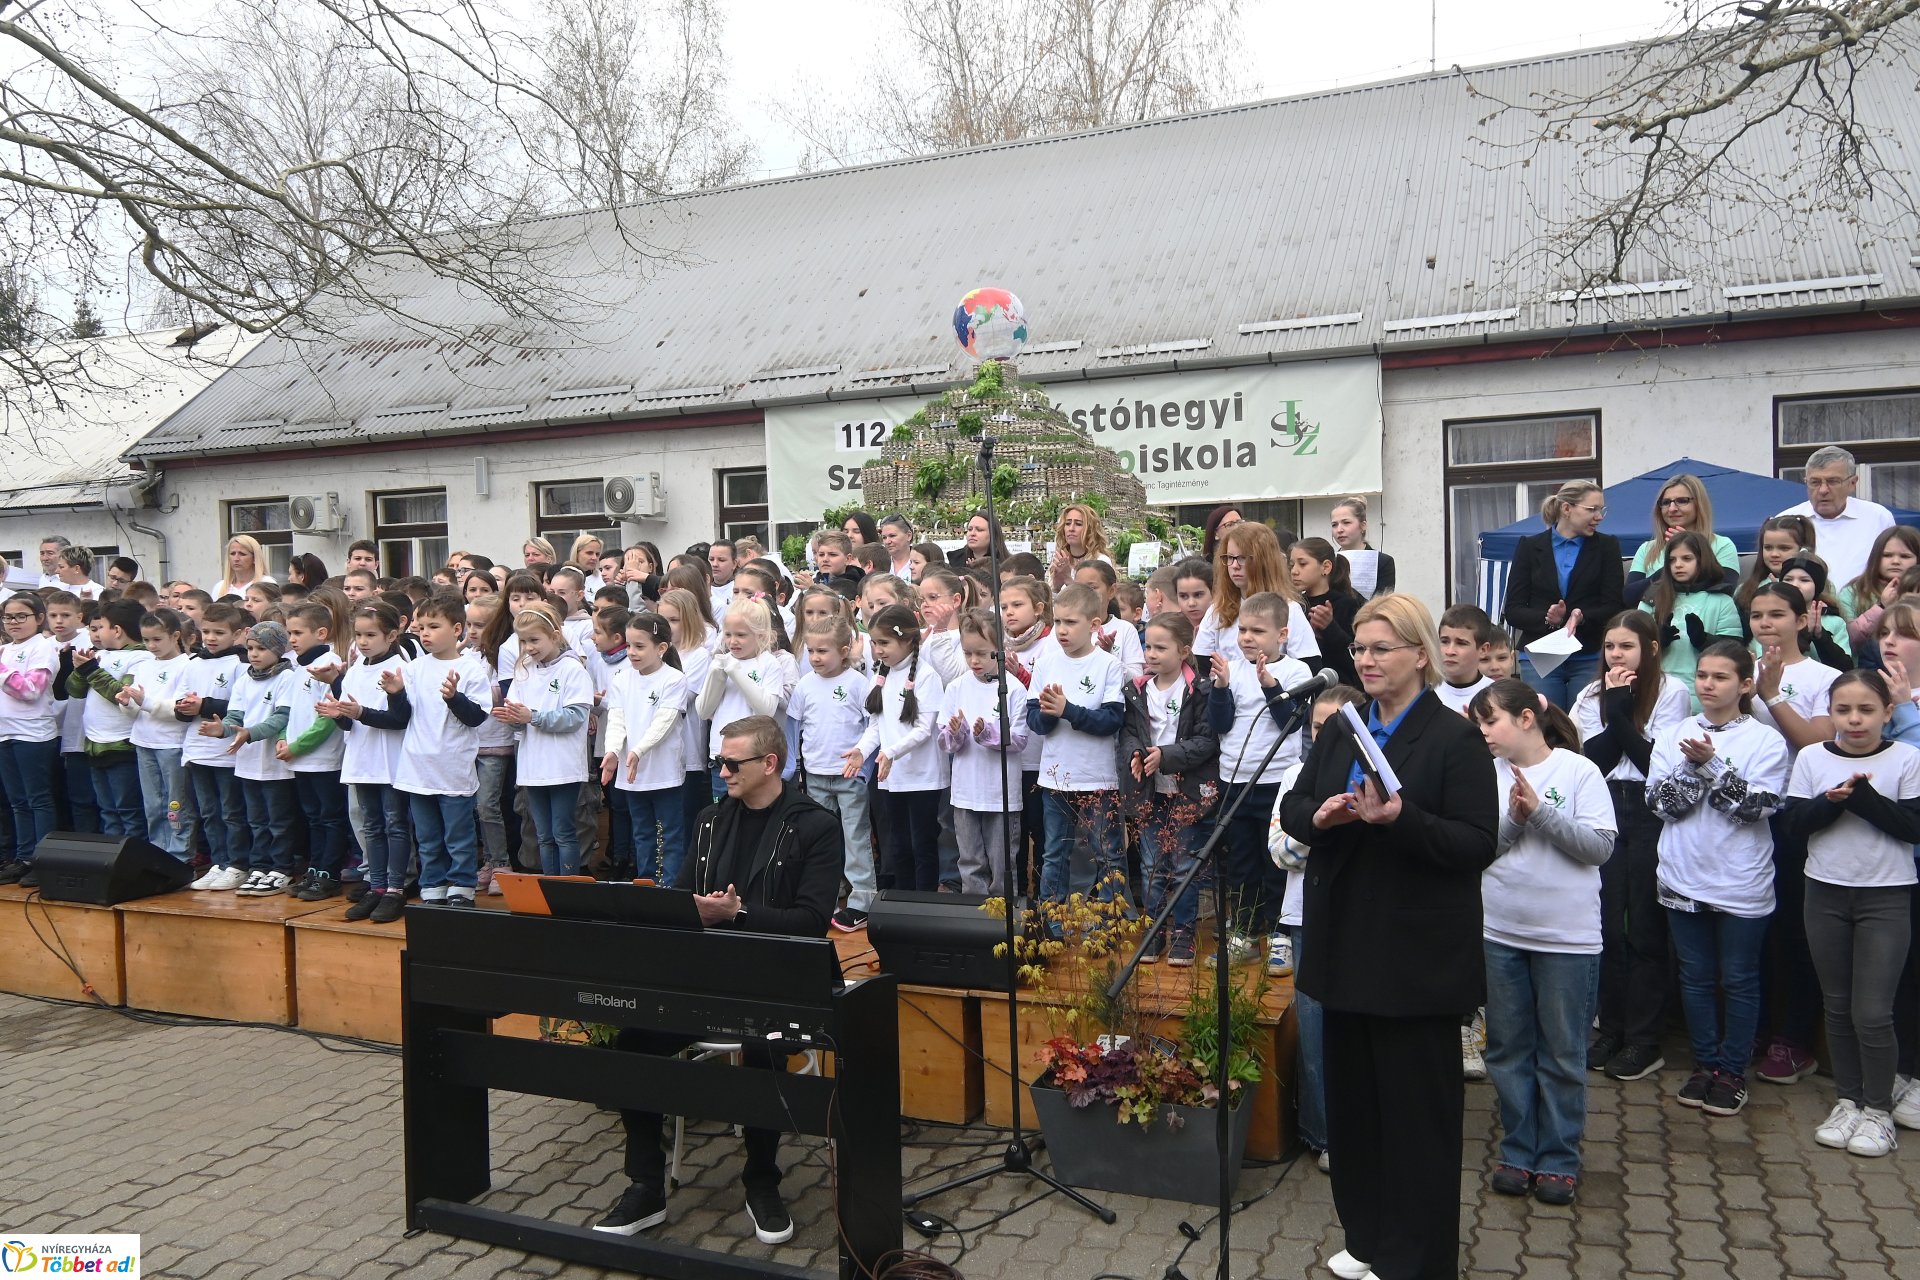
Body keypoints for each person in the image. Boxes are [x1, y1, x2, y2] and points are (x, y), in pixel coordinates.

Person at [1279, 594, 1498, 1280]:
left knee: (1415, 1122)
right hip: (1344, 944)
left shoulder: (1454, 737)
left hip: (1414, 961)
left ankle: (1418, 1260)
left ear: (1419, 655)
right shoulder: (1343, 728)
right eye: (1360, 649)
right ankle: (1370, 1238)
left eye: (1381, 649)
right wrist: (1324, 817)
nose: (1367, 661)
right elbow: (1295, 806)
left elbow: (1476, 843)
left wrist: (1400, 820)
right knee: (1357, 1113)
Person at [595, 715, 843, 1244]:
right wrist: (685, 909)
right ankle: (645, 1186)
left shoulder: (815, 825)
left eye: (732, 763)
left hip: (778, 981)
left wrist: (738, 914)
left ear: (769, 763)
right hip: (708, 978)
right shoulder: (710, 820)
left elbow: (810, 921)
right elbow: (682, 896)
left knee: (763, 1047)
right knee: (632, 1043)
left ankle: (762, 1181)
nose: (722, 771)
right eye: (718, 761)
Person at [1470, 678, 1614, 1206]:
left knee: (1562, 1051)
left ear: (1527, 718)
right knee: (1508, 1048)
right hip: (1500, 931)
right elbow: (1476, 850)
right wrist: (1515, 819)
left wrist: (1543, 814)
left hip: (1566, 939)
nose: (1484, 733)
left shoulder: (1578, 771)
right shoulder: (1483, 775)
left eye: (1491, 721)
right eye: (1479, 724)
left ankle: (1558, 1157)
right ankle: (1517, 1149)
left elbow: (1598, 848)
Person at [1645, 640, 1791, 1117]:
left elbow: (1755, 809)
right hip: (1682, 875)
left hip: (1740, 880)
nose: (1707, 684)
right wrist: (1693, 767)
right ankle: (1705, 1064)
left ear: (1745, 684)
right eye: (1702, 675)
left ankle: (1732, 1071)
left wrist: (1711, 765)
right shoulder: (1674, 733)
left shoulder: (1765, 741)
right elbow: (1661, 806)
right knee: (1695, 977)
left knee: (1740, 979)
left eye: (1720, 677)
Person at [1782, 669, 1920, 1158]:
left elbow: (1913, 828)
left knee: (1872, 1012)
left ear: (1888, 712)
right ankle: (1848, 1101)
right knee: (1837, 1006)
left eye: (1866, 710)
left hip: (1886, 896)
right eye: (1843, 710)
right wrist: (1831, 802)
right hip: (1824, 893)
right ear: (1831, 713)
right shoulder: (1812, 757)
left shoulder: (1906, 758)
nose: (1854, 720)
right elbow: (1794, 825)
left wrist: (1861, 798)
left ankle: (1878, 1112)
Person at [1575, 611, 1692, 1083]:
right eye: (1610, 647)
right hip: (1604, 802)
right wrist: (1617, 709)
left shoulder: (1672, 692)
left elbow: (1651, 762)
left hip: (1648, 807)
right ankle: (1612, 1028)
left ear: (1651, 649)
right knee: (1606, 923)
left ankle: (1644, 1038)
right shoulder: (1590, 695)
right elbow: (1595, 759)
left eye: (1626, 646)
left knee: (1644, 925)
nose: (1616, 655)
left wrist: (1621, 712)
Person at [1208, 592, 1311, 971]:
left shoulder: (1297, 672)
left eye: (1257, 631)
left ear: (1282, 634)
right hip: (1235, 781)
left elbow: (1290, 723)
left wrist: (1269, 684)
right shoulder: (1232, 670)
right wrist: (1220, 688)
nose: (1247, 638)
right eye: (1243, 630)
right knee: (1241, 862)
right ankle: (1246, 933)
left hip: (1276, 783)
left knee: (1276, 863)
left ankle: (1281, 934)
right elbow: (1219, 724)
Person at [1120, 610, 1218, 965]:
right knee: (1151, 865)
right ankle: (1155, 930)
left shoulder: (1200, 689)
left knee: (1183, 865)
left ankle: (1183, 933)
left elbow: (1206, 741)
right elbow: (1129, 732)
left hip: (1187, 792)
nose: (1151, 654)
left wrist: (1166, 756)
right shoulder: (1137, 689)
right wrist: (1135, 753)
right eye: (1148, 646)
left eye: (1161, 648)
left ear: (1184, 651)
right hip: (1151, 792)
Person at [390, 596, 493, 906]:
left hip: (452, 767)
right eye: (421, 627)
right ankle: (432, 884)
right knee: (427, 836)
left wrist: (454, 698)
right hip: (417, 768)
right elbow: (402, 717)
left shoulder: (470, 669)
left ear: (457, 629)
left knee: (458, 836)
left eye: (434, 626)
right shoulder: (413, 668)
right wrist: (395, 694)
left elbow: (476, 717)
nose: (425, 633)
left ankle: (462, 885)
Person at [1027, 584, 1126, 906]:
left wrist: (1067, 710)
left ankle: (1112, 920)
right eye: (1057, 621)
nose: (1062, 630)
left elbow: (1111, 720)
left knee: (1108, 853)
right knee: (1054, 852)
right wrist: (1049, 714)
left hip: (1098, 777)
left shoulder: (1108, 665)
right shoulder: (1046, 663)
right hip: (1056, 778)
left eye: (1071, 622)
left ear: (1094, 625)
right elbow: (1034, 722)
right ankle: (1052, 920)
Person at [850, 604, 946, 892]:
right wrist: (861, 750)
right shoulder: (880, 676)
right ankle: (904, 902)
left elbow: (924, 729)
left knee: (922, 844)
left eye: (884, 643)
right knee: (899, 844)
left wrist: (891, 752)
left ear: (907, 640)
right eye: (875, 643)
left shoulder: (926, 676)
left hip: (923, 777)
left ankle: (925, 903)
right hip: (891, 776)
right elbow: (876, 726)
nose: (878, 650)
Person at [1503, 481, 1624, 708]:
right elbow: (1513, 610)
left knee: (1585, 724)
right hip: (1540, 656)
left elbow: (1614, 606)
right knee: (1544, 722)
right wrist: (1549, 620)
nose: (1599, 517)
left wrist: (1580, 617)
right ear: (1567, 509)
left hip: (1589, 655)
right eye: (1592, 509)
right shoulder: (1529, 546)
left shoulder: (1607, 546)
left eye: (1602, 510)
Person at [787, 615, 874, 927]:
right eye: (811, 651)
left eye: (823, 651)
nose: (815, 658)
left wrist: (864, 766)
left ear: (844, 650)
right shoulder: (805, 685)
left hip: (849, 776)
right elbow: (794, 727)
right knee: (821, 838)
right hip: (815, 776)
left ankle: (862, 900)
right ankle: (826, 894)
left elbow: (872, 725)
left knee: (855, 836)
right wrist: (793, 767)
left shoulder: (858, 684)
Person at [936, 609, 1028, 895]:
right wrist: (957, 733)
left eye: (982, 654)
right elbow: (945, 742)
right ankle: (973, 910)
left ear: (1000, 649)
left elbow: (1020, 740)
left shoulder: (1013, 689)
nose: (974, 661)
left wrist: (988, 734)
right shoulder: (956, 687)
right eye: (968, 653)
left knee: (1002, 861)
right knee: (970, 859)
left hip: (1001, 793)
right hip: (965, 791)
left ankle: (1002, 912)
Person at [204, 620, 298, 896]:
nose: (254, 654)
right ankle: (260, 866)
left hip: (275, 765)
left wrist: (250, 733)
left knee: (279, 821)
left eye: (262, 649)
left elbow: (282, 717)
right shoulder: (245, 680)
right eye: (251, 648)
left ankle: (281, 868)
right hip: (248, 764)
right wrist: (222, 729)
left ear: (278, 650)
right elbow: (235, 716)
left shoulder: (287, 678)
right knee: (256, 820)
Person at [499, 605, 593, 875]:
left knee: (563, 832)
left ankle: (566, 887)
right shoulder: (524, 670)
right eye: (523, 641)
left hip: (562, 767)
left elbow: (575, 717)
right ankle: (550, 886)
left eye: (534, 640)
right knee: (543, 835)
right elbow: (520, 715)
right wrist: (512, 717)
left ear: (554, 636)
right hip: (533, 766)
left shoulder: (572, 669)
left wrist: (532, 717)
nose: (528, 647)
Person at [603, 611, 689, 885]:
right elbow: (616, 719)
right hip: (632, 774)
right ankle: (647, 884)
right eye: (629, 645)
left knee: (668, 833)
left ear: (661, 648)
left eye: (639, 646)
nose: (631, 652)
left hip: (663, 772)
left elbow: (664, 722)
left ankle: (669, 887)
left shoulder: (673, 679)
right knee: (642, 832)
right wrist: (612, 751)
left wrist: (638, 751)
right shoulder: (621, 679)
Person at [277, 603, 352, 899]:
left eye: (298, 633)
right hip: (300, 759)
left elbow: (327, 719)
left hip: (323, 760)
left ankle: (329, 873)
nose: (292, 639)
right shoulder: (297, 667)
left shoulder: (329, 664)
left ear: (321, 633)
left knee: (330, 817)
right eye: (289, 633)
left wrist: (297, 746)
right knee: (313, 817)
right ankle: (315, 868)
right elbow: (290, 710)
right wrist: (283, 738)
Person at [177, 604, 252, 891]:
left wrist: (204, 705)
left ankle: (238, 864)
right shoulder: (193, 662)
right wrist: (183, 708)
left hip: (227, 752)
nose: (211, 637)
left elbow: (243, 706)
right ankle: (218, 863)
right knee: (208, 812)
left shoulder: (240, 664)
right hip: (197, 750)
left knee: (232, 812)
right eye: (206, 631)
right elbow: (182, 701)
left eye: (219, 632)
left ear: (237, 634)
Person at [69, 598, 151, 839]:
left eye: (101, 627)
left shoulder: (141, 658)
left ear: (117, 630)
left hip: (122, 745)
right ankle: (111, 858)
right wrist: (80, 671)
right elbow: (74, 691)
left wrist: (90, 670)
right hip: (95, 744)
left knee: (129, 811)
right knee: (108, 811)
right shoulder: (100, 654)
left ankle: (133, 858)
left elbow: (121, 695)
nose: (96, 633)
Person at [120, 609, 195, 860]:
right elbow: (135, 709)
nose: (151, 645)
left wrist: (145, 702)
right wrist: (127, 703)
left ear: (175, 636)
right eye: (146, 640)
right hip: (144, 741)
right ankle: (157, 853)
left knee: (176, 803)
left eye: (157, 639)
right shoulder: (144, 665)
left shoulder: (187, 665)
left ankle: (179, 855)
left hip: (172, 743)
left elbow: (182, 708)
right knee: (153, 804)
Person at [1640, 531, 1743, 710]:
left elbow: (1735, 651)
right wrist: (1658, 639)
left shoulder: (1722, 600)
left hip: (1704, 696)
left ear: (1703, 560)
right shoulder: (1651, 597)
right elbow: (1633, 647)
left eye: (1687, 558)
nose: (1678, 565)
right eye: (1672, 560)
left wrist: (1704, 640)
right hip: (1658, 693)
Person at [0, 594, 62, 882]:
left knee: (38, 799)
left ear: (38, 618)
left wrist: (2, 669)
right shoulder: (5, 650)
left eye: (21, 616)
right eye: (8, 617)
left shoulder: (42, 647)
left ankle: (43, 860)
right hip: (5, 732)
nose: (14, 622)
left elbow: (30, 690)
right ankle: (24, 857)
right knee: (17, 801)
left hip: (32, 734)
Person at [1777, 445, 1895, 587]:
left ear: (1853, 483)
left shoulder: (1878, 517)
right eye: (1815, 482)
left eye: (1833, 481)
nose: (1823, 490)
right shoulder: (1786, 521)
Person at [1624, 474, 1740, 606]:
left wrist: (1692, 545)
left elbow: (1724, 588)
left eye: (1682, 500)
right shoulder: (1647, 549)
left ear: (1699, 504)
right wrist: (1666, 572)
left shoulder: (1723, 545)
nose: (1672, 508)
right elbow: (1629, 597)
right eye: (1666, 502)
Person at [1290, 537, 1362, 687]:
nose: (1294, 571)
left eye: (1302, 564)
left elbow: (1355, 659)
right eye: (1292, 565)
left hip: (1336, 688)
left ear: (1326, 567)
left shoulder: (1345, 604)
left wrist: (1330, 628)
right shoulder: (1295, 605)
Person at [1434, 604, 1497, 716]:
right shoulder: (1425, 692)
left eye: (1461, 643)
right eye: (1444, 641)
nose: (1450, 651)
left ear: (1483, 650)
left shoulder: (1497, 696)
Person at [1329, 496, 1396, 597]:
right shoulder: (1328, 561)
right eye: (1334, 525)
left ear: (1363, 525)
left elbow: (1383, 602)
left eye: (1346, 523)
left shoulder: (1382, 561)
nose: (1339, 530)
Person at [1047, 503, 1111, 589]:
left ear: (1090, 530)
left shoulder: (1101, 561)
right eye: (1068, 523)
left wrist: (1067, 579)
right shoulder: (1060, 561)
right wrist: (1056, 587)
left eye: (1078, 524)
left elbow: (1095, 597)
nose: (1071, 529)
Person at [215, 534, 274, 599]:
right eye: (232, 553)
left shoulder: (266, 583)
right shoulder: (220, 587)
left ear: (254, 558)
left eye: (242, 554)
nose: (236, 559)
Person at [877, 514, 916, 579]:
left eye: (892, 536)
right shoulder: (879, 564)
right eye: (884, 537)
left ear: (909, 536)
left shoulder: (921, 564)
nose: (887, 542)